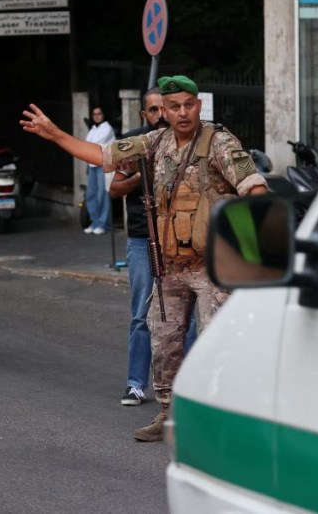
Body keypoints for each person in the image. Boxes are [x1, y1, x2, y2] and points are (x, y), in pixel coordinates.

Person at [21, 75, 268, 441]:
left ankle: (224, 419)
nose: (183, 112)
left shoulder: (219, 143)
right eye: (174, 106)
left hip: (213, 265)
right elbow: (103, 156)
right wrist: (55, 133)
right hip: (169, 266)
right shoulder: (153, 143)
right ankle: (168, 415)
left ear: (199, 105)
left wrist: (253, 249)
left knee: (219, 344)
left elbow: (256, 191)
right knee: (164, 342)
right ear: (163, 111)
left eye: (189, 104)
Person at [108, 87, 196, 407]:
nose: (161, 115)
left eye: (166, 108)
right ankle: (135, 384)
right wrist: (140, 174)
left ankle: (190, 384)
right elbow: (115, 189)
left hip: (178, 239)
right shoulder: (134, 143)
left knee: (186, 314)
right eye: (154, 110)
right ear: (144, 114)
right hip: (142, 238)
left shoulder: (188, 142)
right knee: (142, 313)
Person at [83, 106, 115, 234]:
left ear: (103, 115)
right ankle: (95, 222)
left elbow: (95, 144)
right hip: (92, 165)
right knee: (91, 194)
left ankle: (103, 224)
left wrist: (89, 145)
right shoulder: (93, 129)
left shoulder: (107, 128)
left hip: (103, 164)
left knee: (103, 194)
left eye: (99, 113)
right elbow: (86, 144)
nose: (96, 116)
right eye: (94, 114)